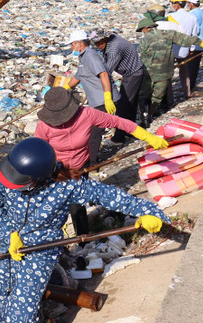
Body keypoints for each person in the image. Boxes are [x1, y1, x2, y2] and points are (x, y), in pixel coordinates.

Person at [0, 137, 167, 323]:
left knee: (22, 308)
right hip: (3, 243)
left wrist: (148, 211)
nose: (10, 184)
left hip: (39, 251)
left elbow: (110, 195)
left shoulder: (68, 186)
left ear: (37, 179)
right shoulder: (7, 172)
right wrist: (8, 232)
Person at [35, 87, 167, 235]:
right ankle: (55, 238)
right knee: (54, 206)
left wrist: (149, 137)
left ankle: (82, 239)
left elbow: (120, 123)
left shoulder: (86, 114)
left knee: (76, 205)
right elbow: (37, 150)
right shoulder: (44, 124)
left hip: (80, 166)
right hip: (56, 170)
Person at [136, 14, 203, 126]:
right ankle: (150, 113)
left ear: (147, 28)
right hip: (164, 73)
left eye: (142, 30)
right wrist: (201, 43)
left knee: (144, 95)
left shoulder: (143, 40)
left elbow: (139, 57)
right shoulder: (168, 34)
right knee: (157, 96)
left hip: (148, 73)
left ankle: (145, 118)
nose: (143, 32)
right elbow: (186, 39)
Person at [64, 29, 120, 163]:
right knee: (91, 131)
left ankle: (92, 164)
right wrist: (64, 89)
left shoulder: (90, 55)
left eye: (72, 44)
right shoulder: (83, 56)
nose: (71, 48)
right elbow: (78, 76)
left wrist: (107, 97)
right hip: (97, 101)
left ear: (79, 44)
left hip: (103, 101)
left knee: (94, 133)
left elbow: (104, 74)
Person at [89, 29, 145, 141]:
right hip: (131, 72)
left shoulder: (114, 49)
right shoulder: (111, 41)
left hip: (133, 73)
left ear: (105, 38)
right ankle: (130, 131)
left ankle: (119, 137)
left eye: (99, 42)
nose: (97, 45)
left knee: (124, 104)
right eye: (95, 43)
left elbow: (107, 71)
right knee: (130, 102)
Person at [167, 0, 199, 99]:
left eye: (172, 3)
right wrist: (192, 49)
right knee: (185, 73)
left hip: (170, 51)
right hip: (184, 50)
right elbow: (194, 36)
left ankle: (169, 99)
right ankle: (187, 93)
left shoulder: (170, 16)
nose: (172, 5)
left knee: (168, 76)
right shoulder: (192, 18)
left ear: (176, 4)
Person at [186, 0, 203, 93]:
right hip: (202, 44)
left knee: (190, 67)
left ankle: (189, 87)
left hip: (195, 44)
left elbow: (193, 32)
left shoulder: (192, 14)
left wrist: (190, 47)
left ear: (190, 4)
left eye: (188, 3)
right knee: (195, 67)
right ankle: (191, 85)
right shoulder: (201, 12)